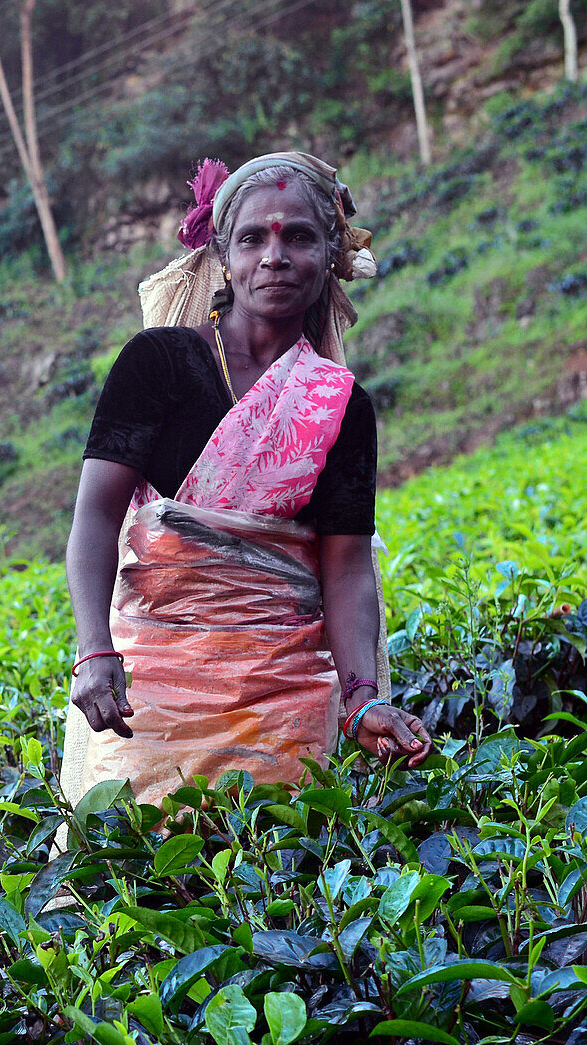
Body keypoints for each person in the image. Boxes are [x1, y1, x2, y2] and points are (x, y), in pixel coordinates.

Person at [60, 151, 431, 813]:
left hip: (282, 704)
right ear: (223, 256)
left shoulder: (341, 406)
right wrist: (93, 651)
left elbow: (344, 570)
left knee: (273, 881)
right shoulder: (159, 364)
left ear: (329, 257)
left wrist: (362, 697)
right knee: (131, 885)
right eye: (254, 237)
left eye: (300, 237)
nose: (276, 255)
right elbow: (94, 518)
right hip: (148, 691)